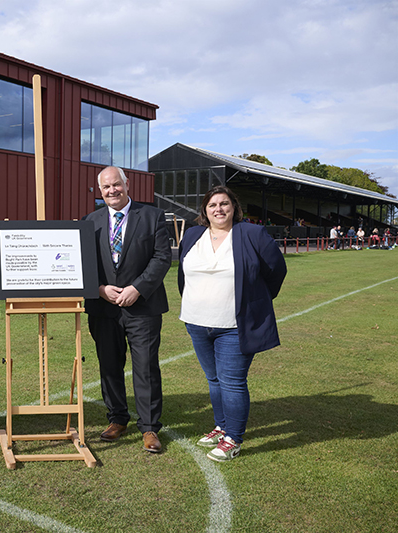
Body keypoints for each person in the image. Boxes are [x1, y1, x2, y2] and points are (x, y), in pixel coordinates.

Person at [178, 186, 287, 462]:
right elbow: (183, 274)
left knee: (232, 382)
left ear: (234, 207)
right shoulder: (192, 234)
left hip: (233, 325)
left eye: (224, 204)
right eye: (212, 204)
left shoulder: (251, 234)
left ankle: (234, 439)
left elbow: (276, 270)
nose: (218, 209)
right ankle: (222, 426)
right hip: (196, 321)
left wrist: (256, 299)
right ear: (205, 210)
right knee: (214, 380)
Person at [83, 166, 171, 453]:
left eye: (116, 185)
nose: (112, 191)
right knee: (109, 366)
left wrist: (138, 288)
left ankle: (149, 428)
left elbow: (161, 258)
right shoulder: (90, 222)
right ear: (100, 191)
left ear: (127, 184)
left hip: (142, 307)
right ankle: (117, 418)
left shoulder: (153, 216)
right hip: (103, 307)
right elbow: (84, 264)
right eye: (106, 187)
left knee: (145, 367)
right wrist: (99, 289)